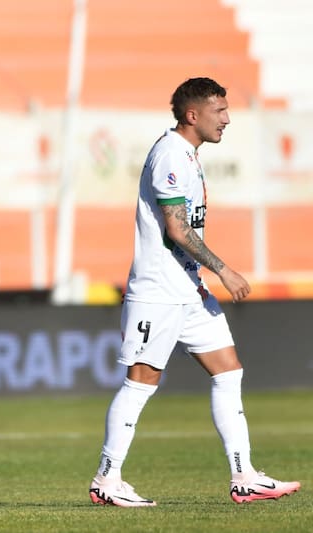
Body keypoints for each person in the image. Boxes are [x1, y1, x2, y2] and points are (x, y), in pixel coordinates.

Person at [88, 77, 301, 507]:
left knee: (228, 370)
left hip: (188, 289)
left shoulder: (188, 154)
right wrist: (224, 270)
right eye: (219, 110)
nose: (227, 118)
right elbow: (176, 228)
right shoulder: (170, 154)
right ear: (192, 115)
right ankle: (107, 480)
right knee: (141, 383)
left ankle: (243, 475)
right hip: (158, 292)